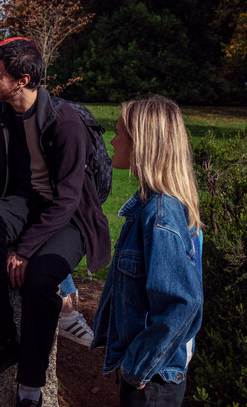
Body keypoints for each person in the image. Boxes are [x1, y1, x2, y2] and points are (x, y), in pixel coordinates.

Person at [0, 37, 110, 406]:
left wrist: (24, 250)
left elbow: (68, 199)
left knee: (39, 280)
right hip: (23, 202)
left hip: (71, 218)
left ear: (21, 80)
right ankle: (0, 340)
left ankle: (30, 388)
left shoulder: (66, 123)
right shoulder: (2, 117)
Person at [93, 96, 203, 406]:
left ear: (141, 143)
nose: (112, 141)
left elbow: (184, 301)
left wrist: (139, 367)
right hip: (151, 375)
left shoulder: (160, 214)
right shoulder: (149, 207)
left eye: (119, 134)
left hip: (153, 381)